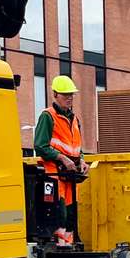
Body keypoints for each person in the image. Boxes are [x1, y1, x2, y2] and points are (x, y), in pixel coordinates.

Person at [33, 75, 86, 243]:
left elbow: (77, 147)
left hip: (70, 175)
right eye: (65, 94)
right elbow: (40, 146)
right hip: (54, 174)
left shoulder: (75, 119)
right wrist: (62, 158)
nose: (69, 98)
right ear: (55, 95)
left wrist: (82, 161)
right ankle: (58, 247)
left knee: (71, 215)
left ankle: (67, 247)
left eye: (71, 94)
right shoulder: (48, 116)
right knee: (59, 213)